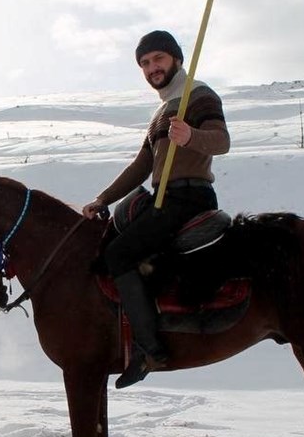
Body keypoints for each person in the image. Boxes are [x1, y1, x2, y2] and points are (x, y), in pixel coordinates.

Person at [81, 30, 230, 389]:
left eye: (158, 59)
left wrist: (191, 137)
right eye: (145, 63)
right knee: (107, 248)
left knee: (119, 255)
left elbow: (222, 141)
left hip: (190, 197)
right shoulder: (162, 111)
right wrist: (103, 199)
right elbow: (141, 166)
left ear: (176, 59)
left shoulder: (200, 96)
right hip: (162, 198)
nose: (152, 68)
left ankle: (151, 351)